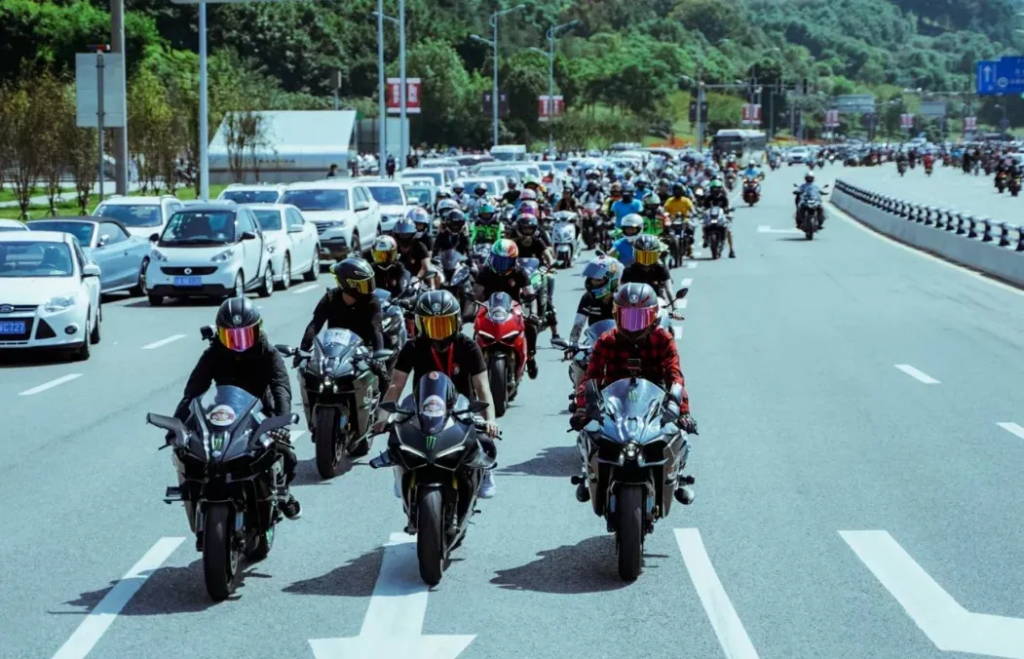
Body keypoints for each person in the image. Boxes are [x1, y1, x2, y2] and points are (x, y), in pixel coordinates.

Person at [172, 297, 301, 519]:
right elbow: (193, 391)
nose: (238, 344)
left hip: (260, 414)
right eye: (231, 337)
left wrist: (282, 421)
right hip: (223, 412)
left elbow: (281, 388)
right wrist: (177, 423)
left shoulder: (268, 354)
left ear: (257, 331)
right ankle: (195, 497)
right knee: (190, 452)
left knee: (285, 453)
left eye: (245, 335)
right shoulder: (213, 353)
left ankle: (282, 492)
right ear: (220, 334)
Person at [570, 283, 697, 503]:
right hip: (614, 404)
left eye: (640, 318)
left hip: (654, 404)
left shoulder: (663, 339)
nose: (633, 325)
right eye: (627, 317)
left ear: (653, 317)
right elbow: (592, 377)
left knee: (681, 437)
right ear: (616, 316)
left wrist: (683, 411)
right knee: (587, 435)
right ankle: (588, 475)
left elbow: (674, 375)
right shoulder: (607, 340)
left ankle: (675, 478)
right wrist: (583, 407)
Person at [377, 290, 500, 498]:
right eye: (433, 325)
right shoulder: (412, 346)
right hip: (420, 406)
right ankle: (399, 475)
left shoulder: (468, 346)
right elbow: (396, 385)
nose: (439, 332)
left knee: (485, 441)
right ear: (421, 324)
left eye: (445, 324)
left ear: (456, 322)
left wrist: (491, 421)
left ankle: (486, 472)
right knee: (397, 439)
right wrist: (383, 417)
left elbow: (483, 388)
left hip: (460, 407)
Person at [473, 239, 541, 379]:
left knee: (530, 327)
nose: (502, 266)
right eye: (499, 261)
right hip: (488, 309)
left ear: (514, 261)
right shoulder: (485, 272)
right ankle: (472, 365)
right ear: (492, 258)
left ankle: (531, 357)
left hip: (513, 309)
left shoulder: (519, 272)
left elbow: (531, 296)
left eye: (506, 262)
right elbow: (476, 294)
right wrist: (471, 311)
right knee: (476, 333)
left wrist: (533, 314)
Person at [300, 257, 384, 354]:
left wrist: (379, 357)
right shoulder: (330, 297)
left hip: (362, 354)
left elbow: (376, 330)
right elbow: (315, 325)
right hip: (334, 353)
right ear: (347, 284)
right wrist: (303, 350)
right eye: (364, 285)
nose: (368, 291)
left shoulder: (372, 302)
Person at [512, 213, 560, 340]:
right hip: (519, 275)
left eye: (530, 228)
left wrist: (551, 265)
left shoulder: (538, 242)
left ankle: (555, 333)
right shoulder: (514, 243)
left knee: (547, 299)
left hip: (537, 274)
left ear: (534, 229)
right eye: (525, 228)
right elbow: (507, 255)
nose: (527, 231)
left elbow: (549, 257)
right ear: (519, 229)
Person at [568, 255, 622, 343]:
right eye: (592, 279)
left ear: (612, 279)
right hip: (595, 343)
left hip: (619, 343)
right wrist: (572, 344)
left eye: (598, 280)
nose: (593, 283)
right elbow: (578, 325)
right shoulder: (588, 297)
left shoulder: (622, 299)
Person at [620, 234, 679, 309]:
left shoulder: (661, 269)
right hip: (633, 304)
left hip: (657, 302)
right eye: (642, 255)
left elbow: (669, 290)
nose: (646, 260)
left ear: (657, 255)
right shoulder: (628, 270)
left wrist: (676, 309)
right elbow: (620, 291)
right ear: (635, 254)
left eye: (650, 256)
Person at [394, 215, 432, 279]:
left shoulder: (420, 246)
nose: (404, 237)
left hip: (416, 281)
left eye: (407, 234)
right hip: (396, 281)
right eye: (402, 234)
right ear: (396, 234)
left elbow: (426, 267)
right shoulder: (392, 247)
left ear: (413, 234)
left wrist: (417, 278)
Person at [705, 180, 736, 257]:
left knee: (728, 231)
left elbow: (727, 207)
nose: (715, 190)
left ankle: (731, 250)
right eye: (713, 188)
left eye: (717, 188)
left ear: (720, 189)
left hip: (721, 217)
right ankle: (705, 239)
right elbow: (705, 207)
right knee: (704, 225)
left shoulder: (723, 198)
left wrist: (728, 210)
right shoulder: (708, 198)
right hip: (711, 217)